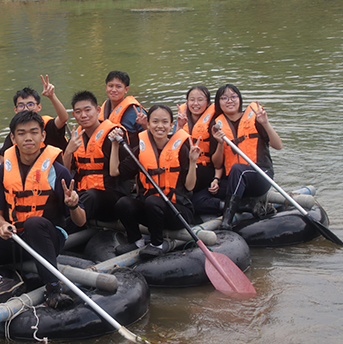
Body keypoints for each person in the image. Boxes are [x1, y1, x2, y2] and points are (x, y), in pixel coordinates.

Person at [0, 111, 86, 310]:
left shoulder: (58, 171)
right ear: (13, 138)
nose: (28, 137)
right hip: (16, 238)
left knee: (34, 223)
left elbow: (80, 221)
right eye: (21, 133)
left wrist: (73, 205)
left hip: (48, 239)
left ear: (42, 136)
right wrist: (1, 226)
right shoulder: (4, 171)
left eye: (34, 132)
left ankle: (53, 289)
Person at [109, 105, 201, 258]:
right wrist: (114, 144)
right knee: (123, 203)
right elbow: (114, 172)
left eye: (165, 122)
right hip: (150, 212)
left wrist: (192, 162)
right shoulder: (141, 149)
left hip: (178, 212)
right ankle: (136, 240)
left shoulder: (181, 149)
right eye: (155, 121)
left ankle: (156, 244)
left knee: (153, 201)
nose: (160, 126)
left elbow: (190, 186)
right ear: (149, 124)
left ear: (171, 125)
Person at [211, 84, 283, 230]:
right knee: (202, 196)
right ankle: (247, 206)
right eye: (224, 98)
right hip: (235, 182)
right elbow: (217, 164)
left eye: (233, 97)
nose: (229, 101)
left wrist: (266, 123)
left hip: (260, 175)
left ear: (240, 99)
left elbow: (278, 145)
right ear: (218, 102)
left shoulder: (255, 119)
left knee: (239, 169)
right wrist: (219, 143)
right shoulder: (218, 126)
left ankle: (227, 221)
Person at [0, 75, 69, 196]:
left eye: (30, 104)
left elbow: (63, 118)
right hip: (28, 173)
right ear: (16, 110)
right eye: (21, 105)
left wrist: (52, 96)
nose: (26, 109)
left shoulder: (47, 125)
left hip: (51, 172)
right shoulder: (17, 133)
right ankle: (5, 205)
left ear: (39, 107)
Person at [63, 90, 129, 229]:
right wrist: (68, 151)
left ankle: (61, 232)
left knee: (90, 197)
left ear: (98, 110)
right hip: (85, 195)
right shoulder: (76, 138)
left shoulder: (113, 134)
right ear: (74, 115)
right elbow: (65, 174)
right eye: (78, 112)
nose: (84, 115)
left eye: (88, 110)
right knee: (70, 197)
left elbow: (125, 172)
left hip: (111, 198)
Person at [175, 86, 224, 215]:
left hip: (205, 169)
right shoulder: (182, 119)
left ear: (208, 103)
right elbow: (174, 147)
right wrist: (179, 126)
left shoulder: (213, 123)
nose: (195, 104)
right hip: (188, 166)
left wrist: (216, 178)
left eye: (200, 100)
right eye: (192, 100)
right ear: (187, 102)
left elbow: (218, 159)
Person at [99, 70, 147, 147]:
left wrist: (145, 125)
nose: (114, 90)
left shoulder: (136, 111)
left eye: (118, 86)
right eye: (111, 86)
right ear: (106, 87)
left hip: (130, 153)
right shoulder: (102, 109)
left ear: (126, 89)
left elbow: (151, 135)